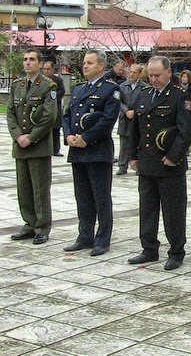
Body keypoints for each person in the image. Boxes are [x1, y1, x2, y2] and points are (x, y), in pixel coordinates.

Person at [127, 56, 191, 269]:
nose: (154, 79)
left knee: (173, 210)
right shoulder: (144, 94)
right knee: (147, 209)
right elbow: (135, 129)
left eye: (158, 75)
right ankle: (149, 249)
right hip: (147, 163)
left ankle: (176, 251)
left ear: (168, 73)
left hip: (169, 164)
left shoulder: (179, 96)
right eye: (151, 75)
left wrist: (174, 157)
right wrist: (132, 155)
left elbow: (186, 131)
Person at [61, 50, 121, 257]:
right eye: (84, 63)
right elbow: (67, 115)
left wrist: (86, 138)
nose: (85, 66)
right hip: (77, 151)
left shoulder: (110, 90)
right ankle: (84, 236)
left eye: (90, 63)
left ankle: (102, 239)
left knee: (101, 197)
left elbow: (107, 120)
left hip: (97, 151)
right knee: (83, 197)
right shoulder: (78, 90)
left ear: (101, 66)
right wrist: (68, 136)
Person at [7, 49, 58, 245]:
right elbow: (10, 113)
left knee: (40, 188)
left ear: (39, 63)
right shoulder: (17, 86)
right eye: (25, 60)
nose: (27, 63)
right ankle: (29, 223)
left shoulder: (47, 86)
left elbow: (49, 117)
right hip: (21, 145)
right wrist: (18, 136)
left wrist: (32, 137)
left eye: (32, 60)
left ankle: (42, 227)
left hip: (38, 146)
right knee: (24, 188)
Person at [116, 64, 147, 175]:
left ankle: (138, 166)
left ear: (139, 74)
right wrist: (125, 110)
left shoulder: (144, 87)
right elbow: (117, 101)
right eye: (130, 72)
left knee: (138, 144)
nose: (132, 74)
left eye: (134, 72)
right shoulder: (122, 86)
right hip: (125, 119)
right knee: (124, 145)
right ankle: (122, 166)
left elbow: (145, 102)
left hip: (137, 119)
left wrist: (135, 111)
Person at [42, 60, 66, 157]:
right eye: (44, 69)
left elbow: (62, 92)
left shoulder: (58, 80)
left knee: (56, 130)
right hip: (43, 108)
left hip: (55, 108)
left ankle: (56, 149)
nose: (46, 71)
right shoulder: (41, 80)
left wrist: (52, 98)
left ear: (52, 70)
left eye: (48, 69)